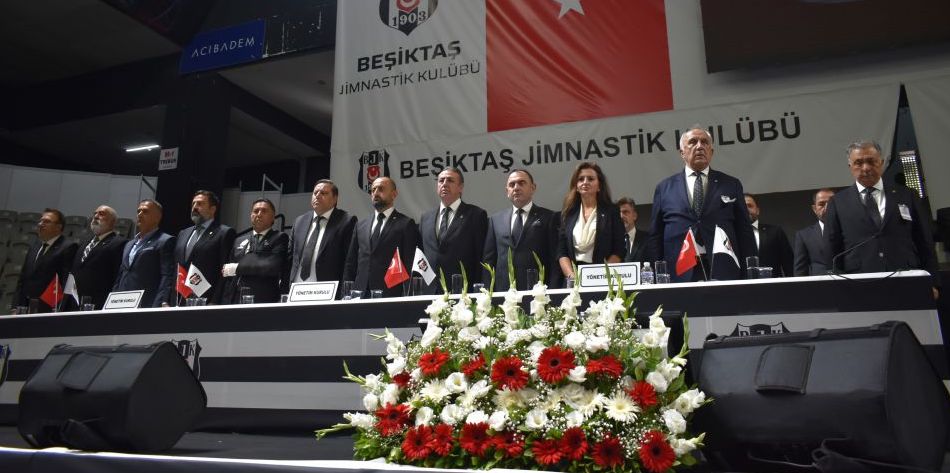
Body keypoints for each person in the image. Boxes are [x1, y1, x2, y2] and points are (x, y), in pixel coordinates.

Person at [824, 140, 939, 298]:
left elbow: (924, 241)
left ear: (882, 162)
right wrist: (836, 286)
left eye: (871, 161)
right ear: (850, 166)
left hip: (906, 277)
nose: (866, 168)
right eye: (859, 163)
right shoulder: (838, 202)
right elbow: (832, 247)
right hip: (858, 283)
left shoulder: (907, 195)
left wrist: (932, 282)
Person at [648, 127, 756, 281]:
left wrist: (750, 274)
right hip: (679, 271)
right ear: (682, 152)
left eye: (705, 142)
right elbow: (655, 236)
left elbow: (744, 231)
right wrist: (656, 276)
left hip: (723, 269)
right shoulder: (664, 188)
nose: (699, 146)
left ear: (711, 152)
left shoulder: (731, 184)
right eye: (693, 142)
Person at [483, 169, 561, 290]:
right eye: (512, 184)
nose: (516, 188)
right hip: (504, 292)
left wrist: (553, 291)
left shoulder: (549, 217)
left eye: (521, 183)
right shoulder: (495, 220)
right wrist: (488, 292)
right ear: (507, 191)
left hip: (538, 292)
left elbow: (555, 260)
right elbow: (489, 261)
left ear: (533, 188)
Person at [343, 177, 420, 297]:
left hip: (390, 293)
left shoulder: (405, 223)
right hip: (360, 293)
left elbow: (410, 263)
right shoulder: (361, 225)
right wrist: (346, 293)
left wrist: (408, 296)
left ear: (394, 194)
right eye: (373, 189)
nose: (375, 193)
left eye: (381, 189)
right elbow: (351, 263)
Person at [419, 168, 488, 293]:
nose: (444, 184)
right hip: (430, 291)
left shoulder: (476, 215)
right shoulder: (426, 217)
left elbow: (481, 256)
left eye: (450, 180)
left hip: (462, 290)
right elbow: (421, 254)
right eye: (441, 181)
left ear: (461, 187)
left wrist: (479, 290)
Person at [557, 162, 625, 279]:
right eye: (581, 179)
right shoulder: (568, 213)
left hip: (602, 276)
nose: (585, 182)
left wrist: (600, 276)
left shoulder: (611, 211)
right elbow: (562, 251)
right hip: (573, 278)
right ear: (576, 186)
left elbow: (619, 250)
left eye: (590, 179)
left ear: (599, 186)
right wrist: (572, 276)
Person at [288, 179, 357, 290]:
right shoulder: (299, 221)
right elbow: (290, 258)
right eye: (315, 193)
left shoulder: (346, 221)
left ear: (335, 199)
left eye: (324, 193)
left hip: (327, 289)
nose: (318, 196)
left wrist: (345, 291)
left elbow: (349, 261)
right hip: (297, 288)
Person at [220, 198, 289, 304]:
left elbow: (271, 266)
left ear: (273, 217)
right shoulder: (239, 240)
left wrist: (236, 268)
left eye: (264, 211)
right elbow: (228, 275)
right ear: (251, 215)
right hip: (235, 299)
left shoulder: (279, 237)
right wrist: (225, 301)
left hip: (262, 299)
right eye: (256, 211)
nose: (259, 214)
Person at [173, 190, 235, 305]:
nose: (195, 207)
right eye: (193, 203)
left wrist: (215, 301)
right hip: (178, 299)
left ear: (212, 209)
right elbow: (175, 268)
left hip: (206, 300)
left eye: (200, 204)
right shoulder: (183, 233)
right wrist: (167, 300)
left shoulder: (224, 233)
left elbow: (225, 272)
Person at [12, 209, 78, 313]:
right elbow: (22, 279)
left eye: (47, 221)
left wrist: (56, 309)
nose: (41, 224)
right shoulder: (35, 246)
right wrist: (15, 306)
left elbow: (64, 282)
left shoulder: (68, 247)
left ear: (58, 227)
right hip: (24, 306)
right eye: (40, 221)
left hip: (47, 308)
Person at [113, 199, 176, 308]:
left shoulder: (165, 241)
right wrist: (113, 299)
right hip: (121, 302)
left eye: (145, 211)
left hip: (146, 303)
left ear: (157, 217)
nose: (140, 214)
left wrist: (159, 303)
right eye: (138, 211)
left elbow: (167, 276)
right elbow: (121, 275)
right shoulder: (129, 244)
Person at [68, 205, 128, 310]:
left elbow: (116, 277)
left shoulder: (119, 243)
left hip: (98, 303)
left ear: (113, 222)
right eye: (95, 213)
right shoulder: (84, 242)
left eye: (101, 214)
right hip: (74, 303)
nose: (96, 216)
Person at [744, 193, 793, 277]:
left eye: (749, 206)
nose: (746, 209)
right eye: (742, 206)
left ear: (758, 210)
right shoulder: (732, 236)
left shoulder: (775, 232)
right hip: (742, 284)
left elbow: (789, 264)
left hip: (772, 283)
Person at [793, 188, 835, 276]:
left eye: (831, 203)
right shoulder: (804, 235)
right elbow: (800, 270)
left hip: (848, 281)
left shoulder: (849, 230)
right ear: (814, 209)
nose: (827, 207)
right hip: (818, 282)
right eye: (821, 204)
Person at [617, 197, 651, 265]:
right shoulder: (610, 242)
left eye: (625, 212)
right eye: (618, 213)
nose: (621, 216)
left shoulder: (648, 239)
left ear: (634, 216)